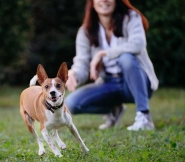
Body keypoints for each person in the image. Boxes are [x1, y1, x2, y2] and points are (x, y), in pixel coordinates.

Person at [65, 0, 159, 131]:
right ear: (92, 2)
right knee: (71, 103)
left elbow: (138, 44)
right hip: (109, 83)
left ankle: (144, 117)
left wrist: (103, 54)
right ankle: (115, 109)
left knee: (126, 58)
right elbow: (82, 63)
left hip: (136, 84)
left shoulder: (131, 17)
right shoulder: (85, 31)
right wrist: (73, 74)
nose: (104, 0)